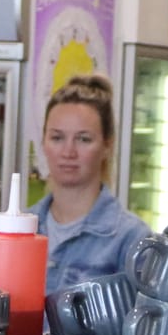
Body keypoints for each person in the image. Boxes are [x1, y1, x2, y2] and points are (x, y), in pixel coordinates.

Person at [33, 74, 151, 291]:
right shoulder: (22, 228)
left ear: (107, 146)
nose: (68, 152)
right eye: (57, 138)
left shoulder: (132, 238)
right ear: (43, 142)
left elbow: (145, 321)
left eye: (83, 139)